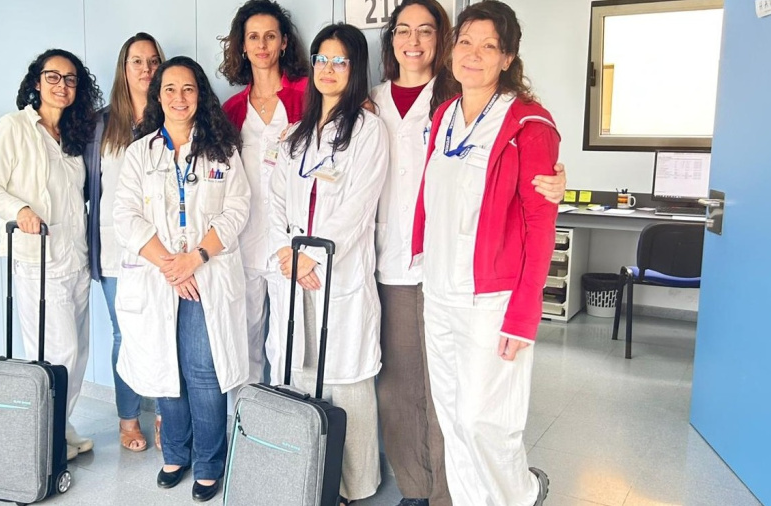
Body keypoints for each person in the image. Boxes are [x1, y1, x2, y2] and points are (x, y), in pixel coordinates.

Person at [372, 2, 567, 505]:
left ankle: (522, 492)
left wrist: (524, 314)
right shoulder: (445, 116)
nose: (473, 55)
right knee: (454, 416)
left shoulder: (529, 125)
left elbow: (540, 225)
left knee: (486, 420)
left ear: (507, 58)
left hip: (492, 299)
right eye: (465, 42)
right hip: (438, 291)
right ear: (452, 49)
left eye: (488, 46)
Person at [113, 56, 250, 502]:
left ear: (200, 95)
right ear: (158, 96)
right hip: (161, 277)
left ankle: (209, 462)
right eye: (169, 88)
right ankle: (176, 453)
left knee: (203, 371)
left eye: (188, 88)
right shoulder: (140, 153)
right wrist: (171, 266)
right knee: (164, 365)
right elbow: (125, 216)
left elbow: (237, 209)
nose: (178, 97)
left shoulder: (221, 150)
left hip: (205, 275)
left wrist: (195, 258)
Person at [270, 23, 387, 506]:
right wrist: (288, 252)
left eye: (340, 61)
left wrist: (308, 256)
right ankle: (306, 477)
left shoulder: (369, 130)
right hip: (294, 270)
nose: (328, 69)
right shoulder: (295, 134)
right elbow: (276, 200)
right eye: (321, 59)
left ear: (355, 68)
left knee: (346, 382)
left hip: (337, 272)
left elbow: (358, 207)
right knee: (298, 371)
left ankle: (354, 487)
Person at [0, 49, 102, 462]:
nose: (62, 85)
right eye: (53, 77)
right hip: (37, 259)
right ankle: (44, 438)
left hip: (75, 257)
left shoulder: (73, 136)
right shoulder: (13, 128)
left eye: (70, 79)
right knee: (57, 352)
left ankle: (58, 426)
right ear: (36, 81)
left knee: (78, 353)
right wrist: (21, 210)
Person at [219, 0, 309, 387]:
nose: (261, 45)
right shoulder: (231, 110)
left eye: (270, 36)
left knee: (289, 347)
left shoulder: (307, 96)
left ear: (284, 42)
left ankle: (287, 421)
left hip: (289, 242)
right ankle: (245, 420)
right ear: (242, 45)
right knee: (245, 344)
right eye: (253, 37)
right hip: (244, 240)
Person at [84, 32, 166, 453]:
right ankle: (128, 419)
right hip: (115, 247)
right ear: (124, 68)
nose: (146, 69)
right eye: (137, 61)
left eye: (153, 61)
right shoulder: (100, 124)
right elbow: (86, 186)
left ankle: (166, 417)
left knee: (164, 332)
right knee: (124, 335)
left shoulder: (171, 114)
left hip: (162, 248)